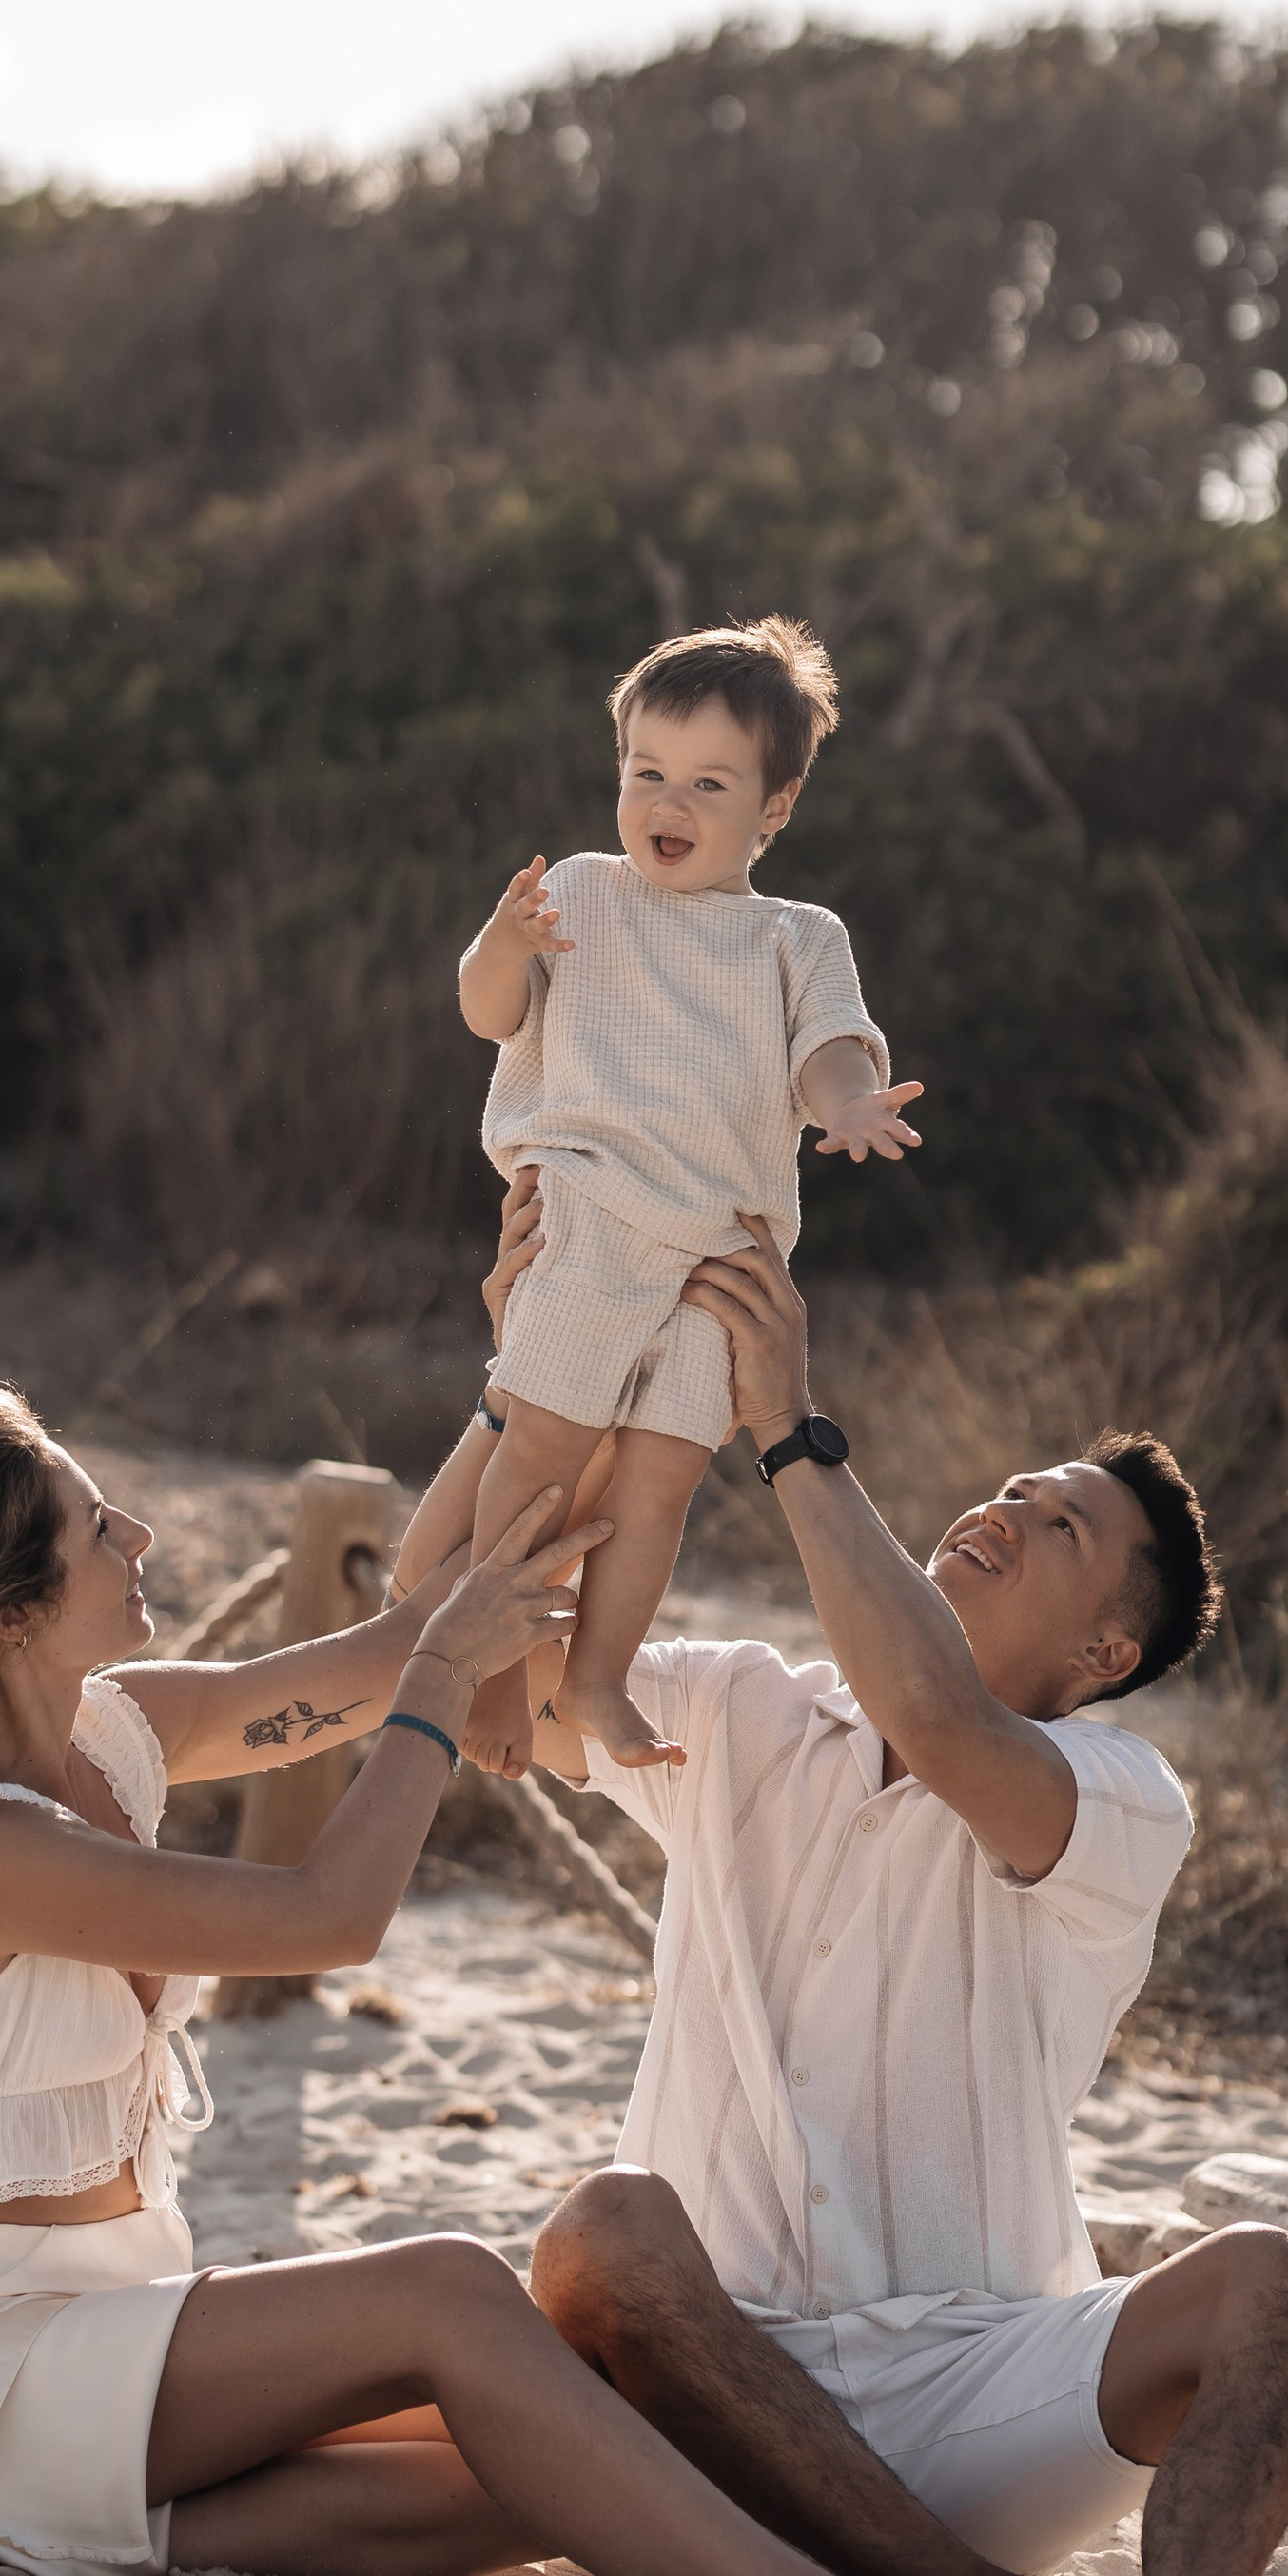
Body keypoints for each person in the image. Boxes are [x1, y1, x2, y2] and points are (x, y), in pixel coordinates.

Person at [0, 1381, 1080, 2576]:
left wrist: (539, 1367)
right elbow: (328, 1914)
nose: (142, 1531)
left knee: (562, 2434)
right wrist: (438, 1686)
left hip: (119, 2355)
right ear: (10, 1615)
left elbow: (384, 1642)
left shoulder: (115, 1733)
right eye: (99, 1527)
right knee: (448, 2292)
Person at [393, 1183, 1288, 2576]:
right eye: (1014, 1487)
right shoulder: (740, 1710)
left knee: (1275, 2284)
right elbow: (430, 1637)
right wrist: (527, 1381)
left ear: (1106, 1650)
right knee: (603, 2232)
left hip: (976, 2402)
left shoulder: (1116, 1798)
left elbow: (955, 1729)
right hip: (708, 2385)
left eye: (1059, 1529)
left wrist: (793, 1438)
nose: (1006, 1509)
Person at [456, 616, 923, 1780]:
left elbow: (829, 1053)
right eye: (645, 773)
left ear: (775, 806)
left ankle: (600, 1679)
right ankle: (493, 1669)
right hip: (596, 1218)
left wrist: (849, 1105)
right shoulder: (578, 892)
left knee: (660, 1483)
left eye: (709, 782)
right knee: (541, 1453)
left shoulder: (797, 939)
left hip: (718, 1264)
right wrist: (501, 944)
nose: (668, 801)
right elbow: (487, 1013)